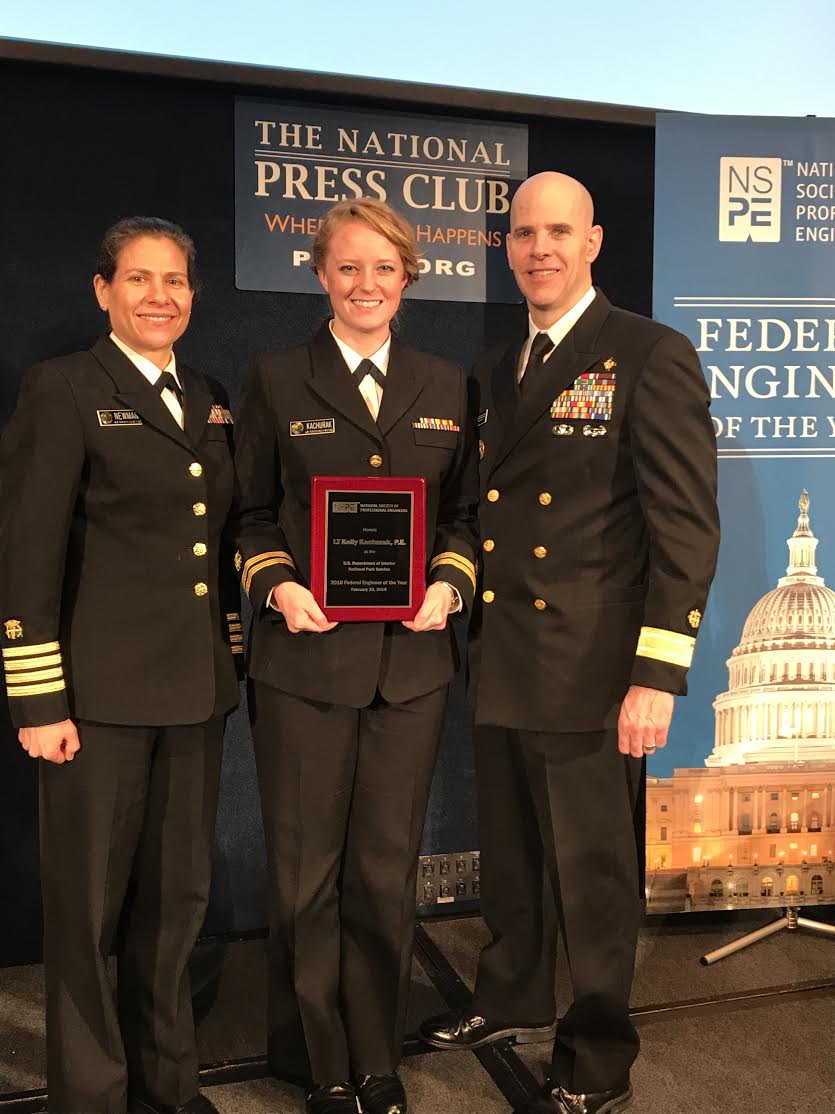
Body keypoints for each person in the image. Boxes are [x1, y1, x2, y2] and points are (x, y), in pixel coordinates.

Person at [420, 172, 720, 1114]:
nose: (538, 248)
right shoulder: (497, 366)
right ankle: (510, 993)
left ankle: (597, 1052)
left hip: (593, 669)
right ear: (504, 247)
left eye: (558, 231)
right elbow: (478, 508)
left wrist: (657, 675)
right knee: (510, 849)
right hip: (507, 652)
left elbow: (684, 529)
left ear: (594, 242)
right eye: (521, 233)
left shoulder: (647, 353)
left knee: (591, 873)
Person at [235, 197, 479, 1114]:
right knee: (306, 876)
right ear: (319, 275)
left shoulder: (448, 385)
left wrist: (449, 583)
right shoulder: (275, 377)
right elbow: (249, 515)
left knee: (384, 872)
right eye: (346, 267)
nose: (365, 284)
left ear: (409, 276)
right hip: (304, 663)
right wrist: (279, 584)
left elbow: (466, 516)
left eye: (383, 268)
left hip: (410, 669)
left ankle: (376, 1055)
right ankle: (318, 1058)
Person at [0, 217, 241, 1114]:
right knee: (87, 911)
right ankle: (93, 1095)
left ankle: (166, 1086)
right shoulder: (62, 388)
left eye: (175, 282)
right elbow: (26, 554)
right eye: (139, 280)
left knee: (175, 904)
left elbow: (212, 551)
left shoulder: (210, 395)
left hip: (194, 694)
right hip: (91, 704)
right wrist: (37, 700)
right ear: (102, 291)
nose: (158, 297)